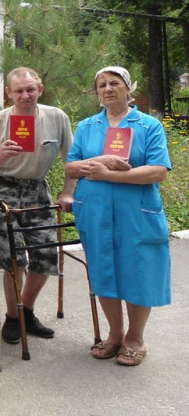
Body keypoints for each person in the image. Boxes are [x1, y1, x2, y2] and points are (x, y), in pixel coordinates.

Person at [65, 66, 171, 366]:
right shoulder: (87, 126)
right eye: (102, 85)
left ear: (128, 88)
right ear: (97, 93)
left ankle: (135, 339)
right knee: (104, 271)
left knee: (138, 271)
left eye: (114, 83)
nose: (108, 89)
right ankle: (114, 335)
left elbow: (159, 170)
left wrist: (110, 175)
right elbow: (71, 168)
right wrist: (99, 161)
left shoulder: (148, 126)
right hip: (95, 213)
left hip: (136, 214)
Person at [0, 67, 75, 344]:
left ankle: (26, 310)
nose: (25, 95)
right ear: (9, 94)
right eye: (18, 91)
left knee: (46, 254)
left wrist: (67, 192)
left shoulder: (56, 117)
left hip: (37, 191)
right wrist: (0, 156)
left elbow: (73, 159)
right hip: (2, 191)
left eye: (30, 89)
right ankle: (12, 315)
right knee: (13, 257)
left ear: (40, 90)